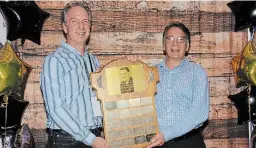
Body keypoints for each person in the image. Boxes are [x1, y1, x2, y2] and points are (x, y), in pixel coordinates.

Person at [40, 2, 109, 148]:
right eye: (74, 21)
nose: (81, 27)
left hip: (96, 136)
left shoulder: (93, 60)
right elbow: (56, 109)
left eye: (85, 21)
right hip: (67, 141)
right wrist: (90, 139)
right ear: (64, 27)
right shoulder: (54, 61)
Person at [145, 22, 210, 148]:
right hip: (156, 143)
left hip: (188, 142)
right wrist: (128, 65)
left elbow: (199, 112)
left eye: (181, 39)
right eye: (170, 39)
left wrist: (167, 134)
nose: (175, 44)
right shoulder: (149, 72)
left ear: (188, 46)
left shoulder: (197, 72)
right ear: (164, 45)